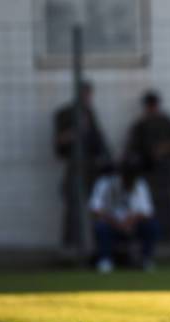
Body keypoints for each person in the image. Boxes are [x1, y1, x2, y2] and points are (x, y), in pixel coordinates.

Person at [54, 81, 111, 248]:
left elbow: (99, 140)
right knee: (73, 207)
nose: (87, 98)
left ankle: (99, 246)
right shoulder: (65, 113)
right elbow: (59, 141)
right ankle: (70, 246)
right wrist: (76, 131)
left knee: (97, 206)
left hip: (92, 166)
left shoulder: (90, 113)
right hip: (74, 166)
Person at [125, 91, 170, 244]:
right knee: (148, 211)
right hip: (148, 177)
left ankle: (168, 243)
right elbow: (131, 152)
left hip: (166, 176)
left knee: (167, 211)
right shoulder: (140, 127)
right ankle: (153, 244)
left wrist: (163, 150)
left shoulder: (168, 124)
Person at [89, 160, 158, 273]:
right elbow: (95, 208)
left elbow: (147, 211)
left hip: (133, 225)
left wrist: (130, 221)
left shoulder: (140, 184)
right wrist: (116, 223)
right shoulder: (105, 183)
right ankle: (105, 261)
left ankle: (146, 260)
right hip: (111, 225)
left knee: (152, 226)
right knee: (101, 227)